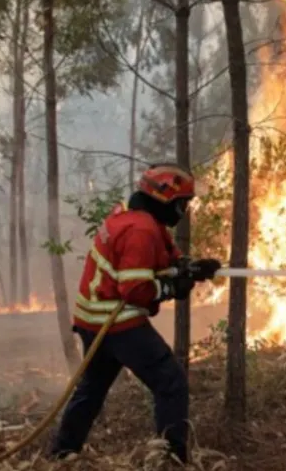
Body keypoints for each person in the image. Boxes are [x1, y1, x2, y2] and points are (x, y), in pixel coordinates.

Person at [50, 163, 221, 465]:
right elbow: (135, 289)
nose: (184, 211)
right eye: (182, 204)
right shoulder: (140, 229)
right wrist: (171, 288)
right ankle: (171, 460)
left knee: (92, 389)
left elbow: (163, 251)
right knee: (170, 382)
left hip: (93, 320)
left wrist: (189, 266)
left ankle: (61, 453)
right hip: (116, 323)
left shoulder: (134, 215)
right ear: (164, 200)